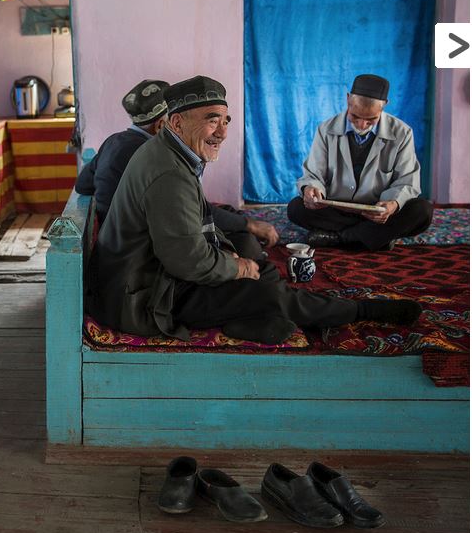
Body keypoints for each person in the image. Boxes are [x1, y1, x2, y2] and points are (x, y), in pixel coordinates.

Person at [90, 75, 422, 343]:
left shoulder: (168, 152)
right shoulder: (169, 173)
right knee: (264, 290)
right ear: (176, 123)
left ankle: (254, 320)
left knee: (253, 259)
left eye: (225, 121)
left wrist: (234, 257)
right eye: (212, 121)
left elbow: (192, 228)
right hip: (143, 297)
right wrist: (236, 268)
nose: (222, 133)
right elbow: (188, 262)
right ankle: (359, 311)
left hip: (151, 275)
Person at [75, 80, 278, 259]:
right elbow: (190, 218)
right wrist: (249, 225)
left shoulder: (113, 141)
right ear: (162, 125)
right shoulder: (158, 159)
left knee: (226, 215)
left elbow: (83, 185)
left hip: (116, 236)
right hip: (140, 249)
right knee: (244, 243)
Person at [287, 74, 433, 251]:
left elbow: (407, 181)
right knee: (296, 208)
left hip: (377, 214)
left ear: (384, 105)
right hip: (337, 209)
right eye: (355, 116)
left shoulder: (402, 133)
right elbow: (313, 174)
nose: (362, 125)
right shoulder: (326, 129)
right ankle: (374, 236)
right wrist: (311, 190)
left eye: (371, 119)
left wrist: (392, 205)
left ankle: (339, 238)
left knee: (422, 211)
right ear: (348, 99)